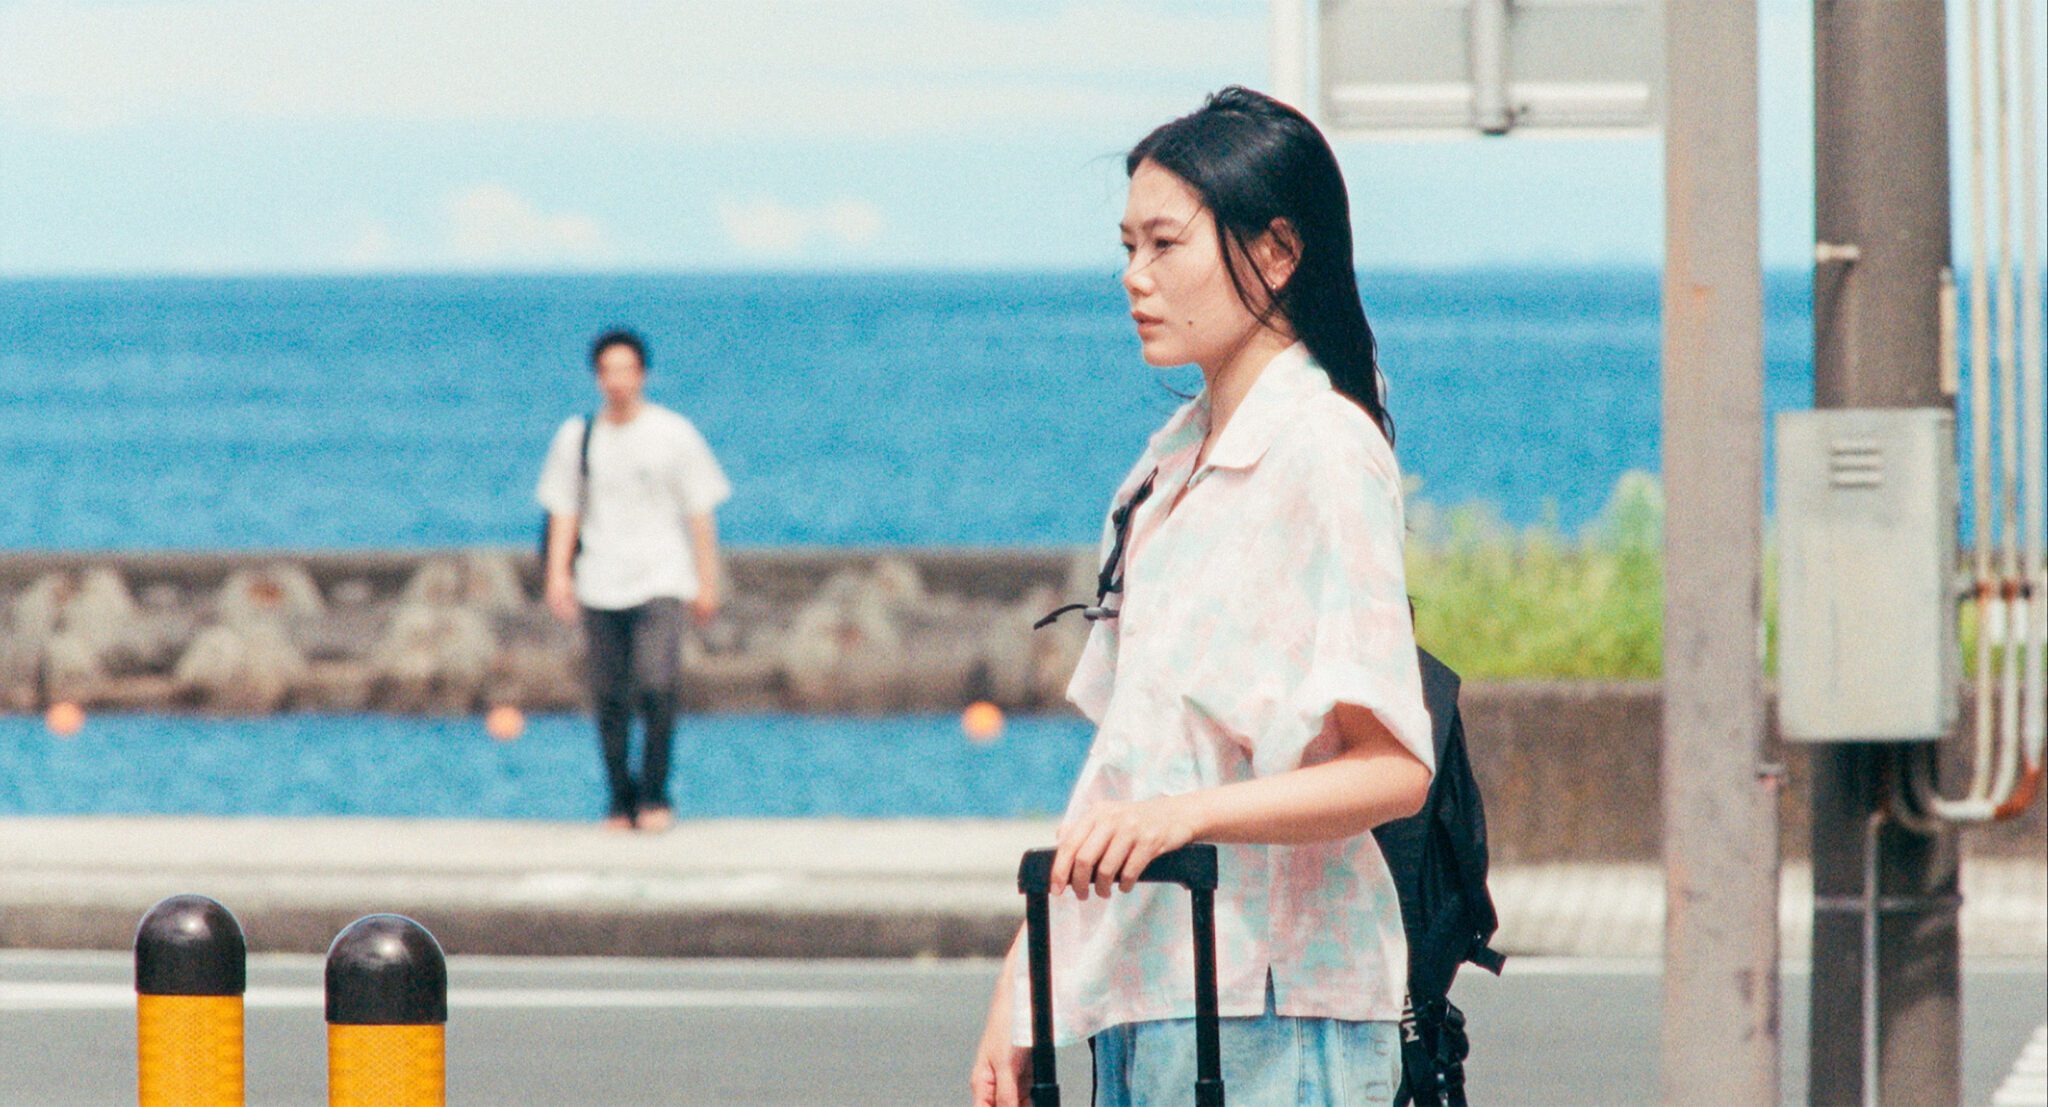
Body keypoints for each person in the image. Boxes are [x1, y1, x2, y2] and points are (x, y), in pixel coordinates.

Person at [969, 87, 1436, 1106]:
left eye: (1164, 244)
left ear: (1276, 251)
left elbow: (1394, 766)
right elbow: (1127, 770)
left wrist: (1185, 818)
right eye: (1126, 246)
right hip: (1145, 992)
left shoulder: (1323, 448)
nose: (1133, 276)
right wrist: (1025, 980)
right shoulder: (1163, 468)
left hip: (1282, 1009)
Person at [537, 328, 731, 832]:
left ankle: (655, 795)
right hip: (599, 578)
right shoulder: (577, 436)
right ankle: (620, 800)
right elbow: (564, 509)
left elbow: (700, 512)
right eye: (609, 371)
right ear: (597, 377)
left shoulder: (673, 433)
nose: (618, 380)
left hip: (662, 576)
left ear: (642, 374)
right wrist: (557, 575)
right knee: (608, 696)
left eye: (626, 369)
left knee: (657, 684)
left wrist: (707, 581)